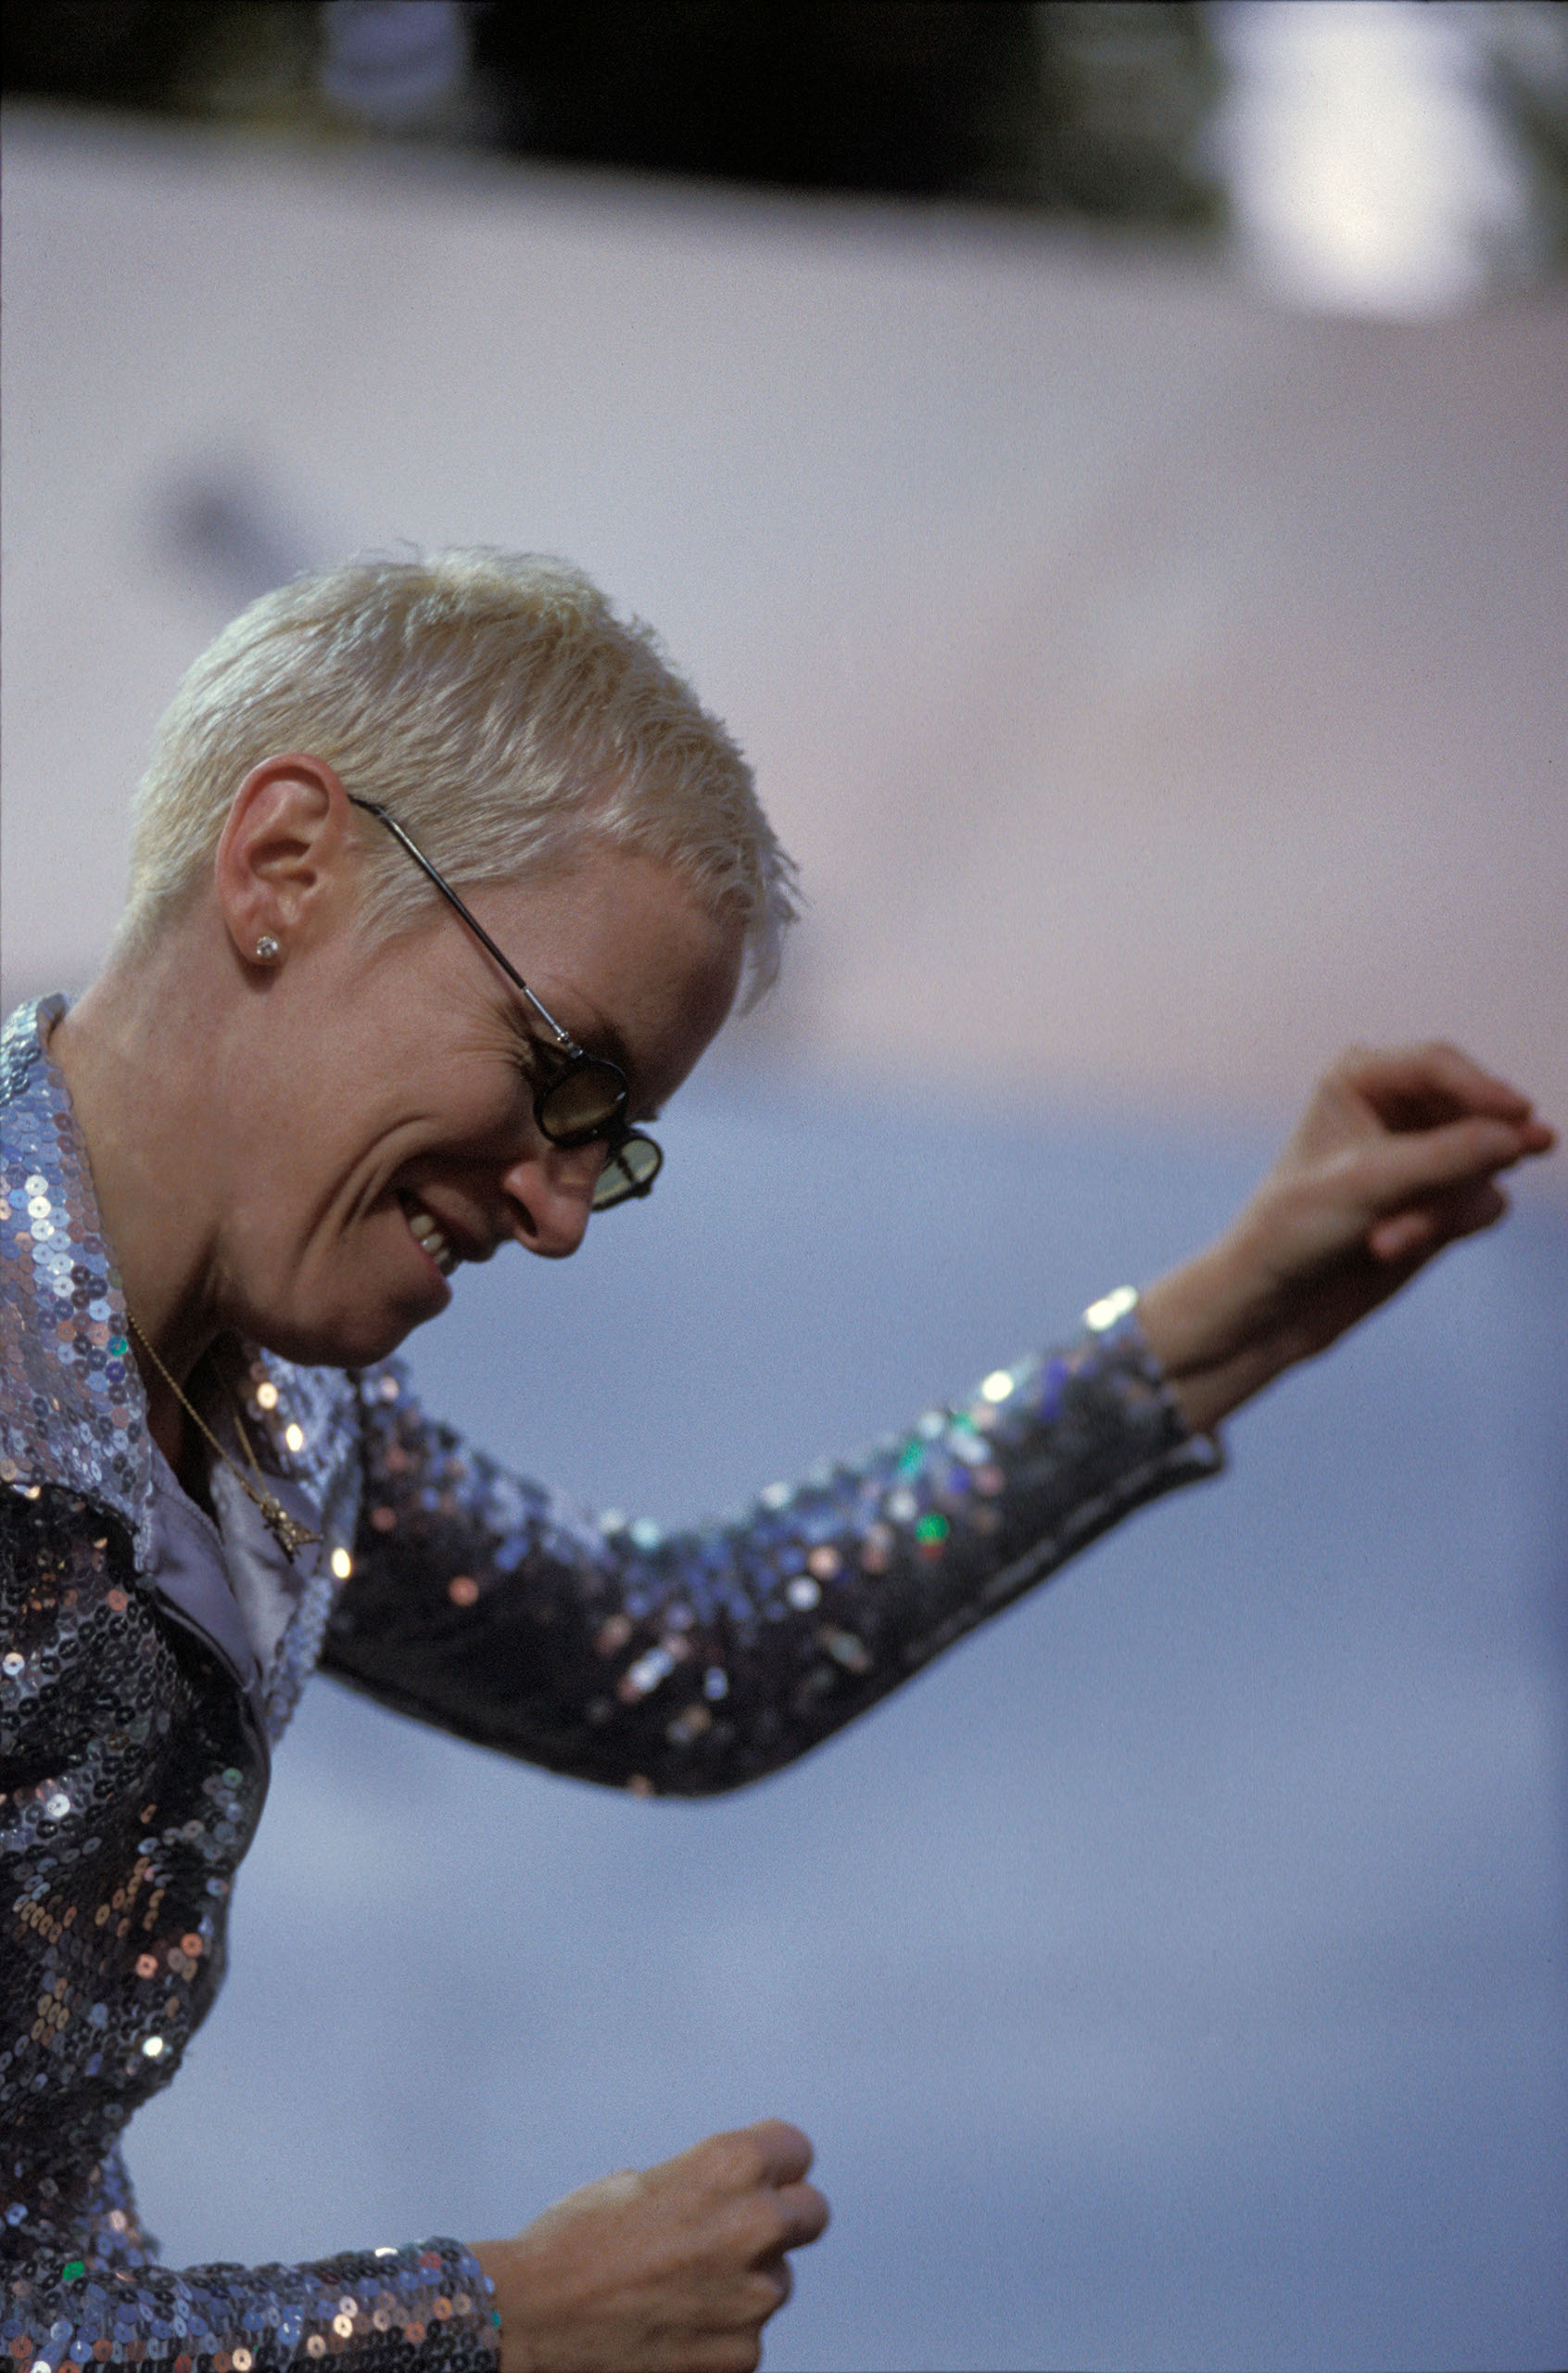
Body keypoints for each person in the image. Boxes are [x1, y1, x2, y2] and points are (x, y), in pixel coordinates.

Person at [0, 551, 1553, 2373]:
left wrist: (1222, 1321)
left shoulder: (283, 1415)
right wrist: (491, 2320)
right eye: (562, 1077)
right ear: (284, 867)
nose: (558, 1214)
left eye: (616, 1146)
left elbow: (683, 1657)